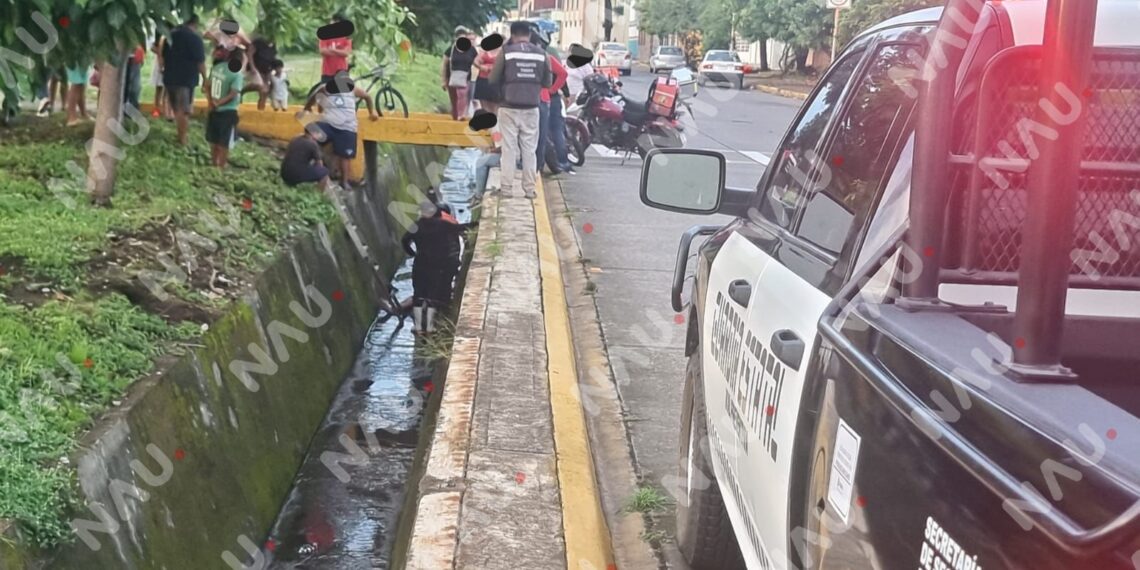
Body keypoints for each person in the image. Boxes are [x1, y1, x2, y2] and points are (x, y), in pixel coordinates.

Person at [489, 21, 552, 199]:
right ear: (530, 34)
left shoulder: (507, 52)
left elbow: (493, 78)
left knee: (509, 149)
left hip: (508, 107)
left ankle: (507, 189)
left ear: (513, 35)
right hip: (532, 107)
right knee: (529, 150)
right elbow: (547, 82)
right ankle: (530, 190)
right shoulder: (542, 54)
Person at [302, 70, 379, 188]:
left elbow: (367, 97)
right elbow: (315, 96)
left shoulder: (353, 90)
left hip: (347, 128)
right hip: (329, 125)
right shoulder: (326, 88)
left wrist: (372, 112)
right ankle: (312, 163)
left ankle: (344, 181)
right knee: (310, 130)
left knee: (345, 156)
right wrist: (307, 109)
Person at [401, 200, 465, 331]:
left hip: (423, 263)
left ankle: (420, 323)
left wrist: (413, 253)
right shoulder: (447, 223)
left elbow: (405, 240)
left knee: (420, 292)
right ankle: (435, 320)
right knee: (437, 292)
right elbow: (458, 240)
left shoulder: (420, 224)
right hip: (442, 263)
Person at [163, 14, 207, 145]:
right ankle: (182, 139)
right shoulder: (195, 39)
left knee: (177, 108)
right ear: (195, 24)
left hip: (170, 77)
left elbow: (163, 56)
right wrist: (205, 79)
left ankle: (180, 134)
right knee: (184, 111)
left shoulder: (170, 36)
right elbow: (200, 62)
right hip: (185, 79)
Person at [205, 50, 244, 168]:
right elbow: (233, 93)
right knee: (224, 141)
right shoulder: (236, 73)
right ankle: (221, 165)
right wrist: (219, 103)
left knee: (214, 138)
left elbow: (207, 85)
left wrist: (211, 101)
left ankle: (214, 163)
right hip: (228, 110)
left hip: (213, 109)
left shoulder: (217, 67)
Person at [535, 36, 568, 174]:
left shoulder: (514, 53)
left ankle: (536, 164)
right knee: (548, 133)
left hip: (529, 99)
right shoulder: (547, 54)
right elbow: (563, 73)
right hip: (546, 98)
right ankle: (541, 165)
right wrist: (553, 90)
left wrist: (552, 89)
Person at [280, 123, 331, 189]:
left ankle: (290, 185)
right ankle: (317, 196)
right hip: (294, 175)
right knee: (324, 172)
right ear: (313, 133)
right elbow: (319, 165)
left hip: (284, 173)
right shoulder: (313, 144)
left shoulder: (295, 138)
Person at [442, 26, 477, 121]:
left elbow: (477, 62)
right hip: (452, 78)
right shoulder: (451, 50)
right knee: (454, 101)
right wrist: (444, 80)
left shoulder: (471, 50)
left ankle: (461, 115)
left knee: (462, 95)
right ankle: (455, 119)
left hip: (466, 78)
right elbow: (444, 66)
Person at [319, 14, 352, 84]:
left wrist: (332, 50)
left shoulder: (346, 37)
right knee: (326, 93)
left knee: (342, 93)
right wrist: (340, 51)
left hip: (341, 71)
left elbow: (346, 53)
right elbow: (323, 51)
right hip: (327, 72)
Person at [472, 43, 500, 114]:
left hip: (495, 80)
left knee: (494, 103)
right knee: (483, 101)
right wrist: (481, 67)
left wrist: (493, 68)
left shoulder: (501, 52)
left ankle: (494, 117)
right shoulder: (484, 51)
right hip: (483, 79)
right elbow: (475, 61)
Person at [150, 34, 168, 118]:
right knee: (159, 86)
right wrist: (161, 52)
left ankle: (165, 109)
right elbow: (152, 47)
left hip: (170, 61)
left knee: (168, 88)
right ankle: (156, 108)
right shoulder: (160, 34)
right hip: (160, 61)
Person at [124, 45, 145, 111]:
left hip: (135, 59)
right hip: (124, 58)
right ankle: (125, 108)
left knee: (135, 88)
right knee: (125, 87)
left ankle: (133, 108)